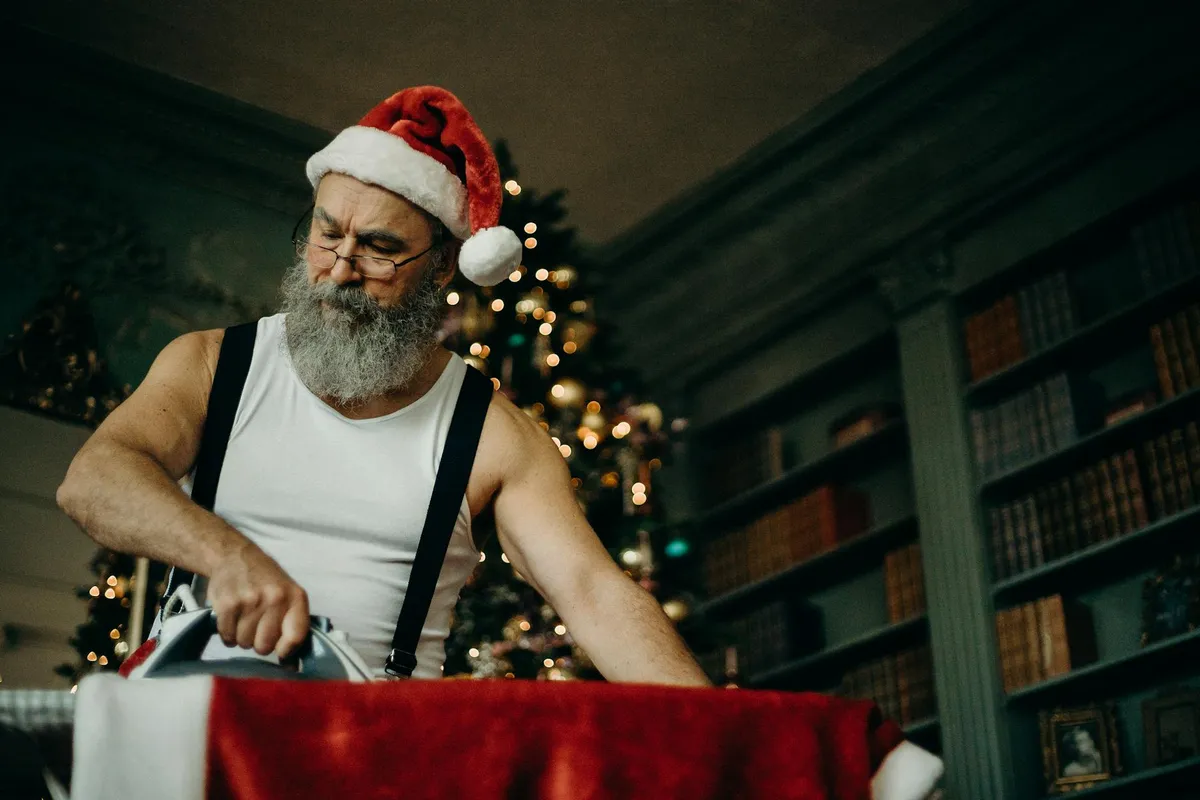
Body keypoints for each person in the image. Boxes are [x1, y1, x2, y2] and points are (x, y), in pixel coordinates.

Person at [56, 86, 710, 687]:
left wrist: (726, 737)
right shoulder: (211, 364)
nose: (339, 270)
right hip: (190, 717)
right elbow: (94, 481)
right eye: (327, 232)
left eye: (378, 247)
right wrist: (227, 556)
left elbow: (593, 594)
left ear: (443, 266)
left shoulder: (490, 434)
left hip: (375, 752)